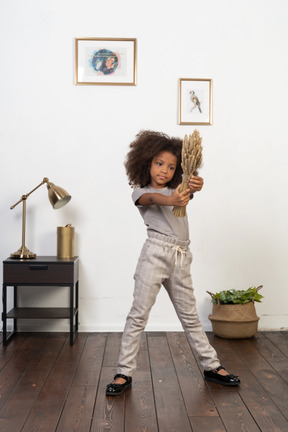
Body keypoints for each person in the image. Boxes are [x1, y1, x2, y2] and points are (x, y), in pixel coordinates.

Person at [106, 130, 240, 396]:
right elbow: (152, 199)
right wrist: (171, 199)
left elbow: (186, 192)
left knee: (190, 316)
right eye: (159, 164)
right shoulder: (140, 192)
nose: (164, 170)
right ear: (145, 162)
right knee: (138, 315)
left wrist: (194, 186)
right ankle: (124, 372)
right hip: (154, 254)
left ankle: (211, 367)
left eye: (171, 166)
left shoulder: (178, 190)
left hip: (181, 256)